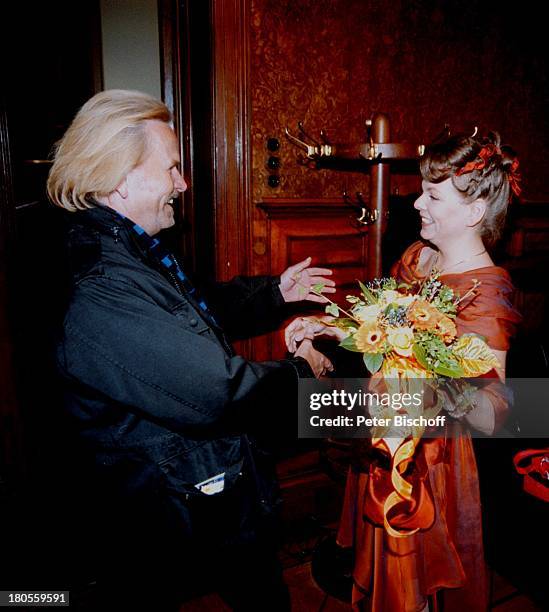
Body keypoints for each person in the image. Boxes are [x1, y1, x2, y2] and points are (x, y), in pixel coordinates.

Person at [46, 89, 336, 611]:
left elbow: (194, 308)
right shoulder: (103, 283)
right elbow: (216, 390)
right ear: (121, 176)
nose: (183, 183)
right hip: (169, 494)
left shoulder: (127, 247)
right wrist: (301, 373)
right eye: (172, 168)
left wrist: (275, 293)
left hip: (195, 481)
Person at [285, 131, 522, 610]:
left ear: (474, 213)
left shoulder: (486, 295)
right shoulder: (420, 257)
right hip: (385, 437)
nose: (416, 203)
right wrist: (329, 325)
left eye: (432, 195)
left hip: (433, 462)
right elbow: (382, 318)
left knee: (416, 576)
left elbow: (494, 412)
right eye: (421, 190)